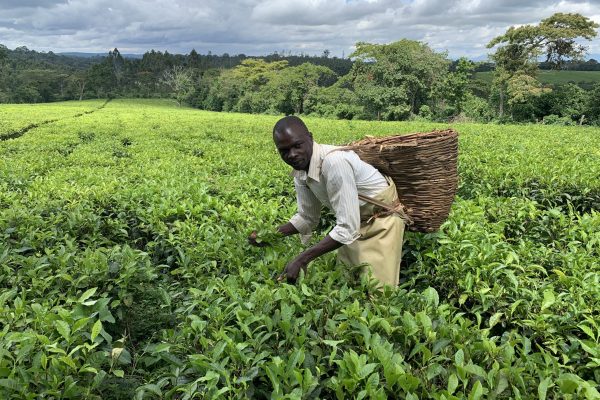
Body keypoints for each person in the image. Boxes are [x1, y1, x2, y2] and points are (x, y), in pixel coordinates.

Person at [249, 116, 406, 288]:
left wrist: (303, 259)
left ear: (310, 137)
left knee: (378, 291)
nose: (292, 155)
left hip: (382, 223)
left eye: (297, 145)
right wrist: (270, 235)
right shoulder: (301, 172)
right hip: (355, 224)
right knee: (350, 285)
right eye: (284, 151)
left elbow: (347, 228)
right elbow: (307, 217)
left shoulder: (334, 162)